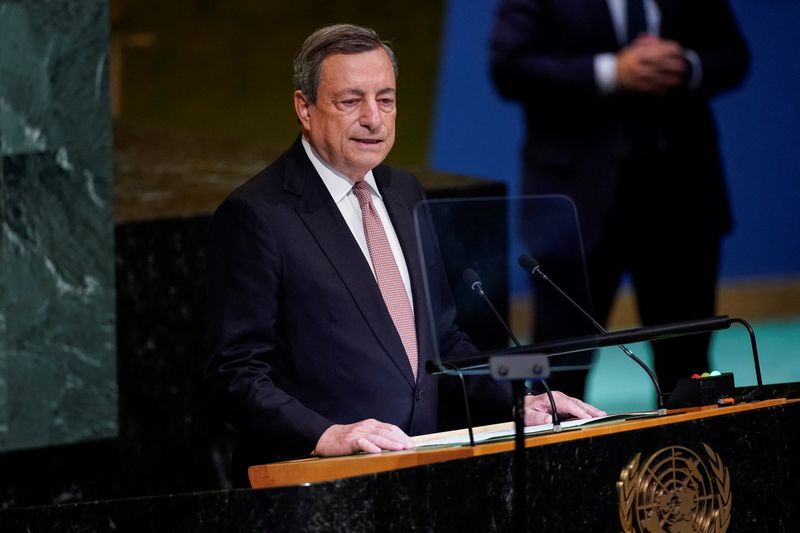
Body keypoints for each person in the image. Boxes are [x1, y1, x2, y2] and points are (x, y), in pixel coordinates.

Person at [206, 23, 605, 484]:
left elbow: (440, 339)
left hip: (419, 471)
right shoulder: (257, 214)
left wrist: (516, 401)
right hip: (319, 483)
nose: (374, 118)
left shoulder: (403, 191)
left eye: (386, 99)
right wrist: (324, 434)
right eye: (350, 101)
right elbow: (233, 375)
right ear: (305, 108)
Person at [490, 0, 750, 396]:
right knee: (561, 369)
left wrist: (688, 65)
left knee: (687, 365)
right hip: (574, 201)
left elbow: (733, 55)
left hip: (681, 197)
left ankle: (684, 459)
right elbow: (509, 68)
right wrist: (611, 71)